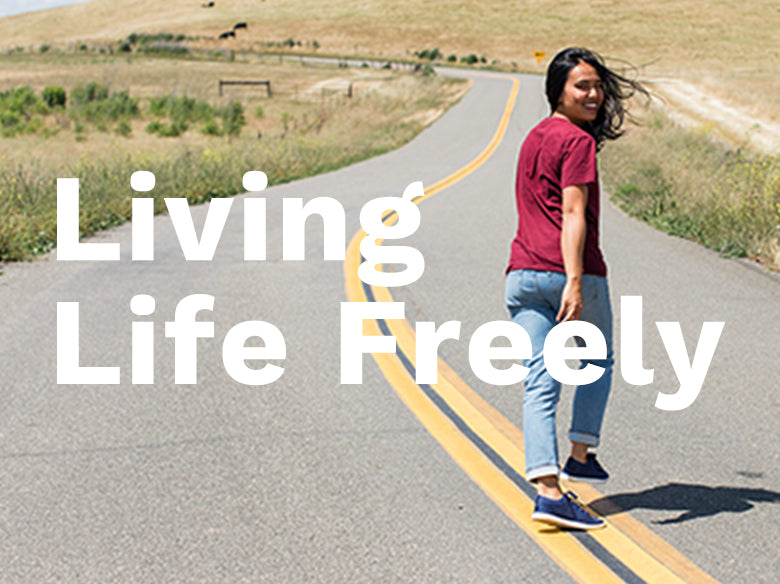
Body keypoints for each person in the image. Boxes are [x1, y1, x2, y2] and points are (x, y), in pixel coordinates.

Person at [505, 47, 648, 530]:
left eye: (595, 85)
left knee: (539, 380)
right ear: (558, 91)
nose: (593, 94)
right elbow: (572, 214)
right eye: (581, 86)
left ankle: (548, 487)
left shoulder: (533, 137)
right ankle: (580, 454)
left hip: (521, 275)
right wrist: (573, 280)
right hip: (568, 272)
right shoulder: (578, 142)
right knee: (596, 361)